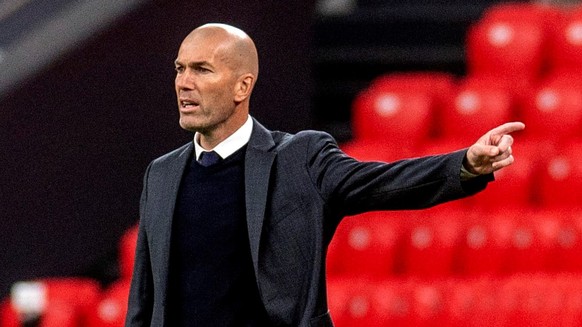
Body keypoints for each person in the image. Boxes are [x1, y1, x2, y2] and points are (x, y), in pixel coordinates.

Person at [125, 23, 525, 327]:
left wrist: (466, 164)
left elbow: (382, 183)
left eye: (202, 70)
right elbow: (143, 298)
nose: (184, 83)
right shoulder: (161, 174)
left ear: (241, 86)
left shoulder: (300, 158)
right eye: (180, 69)